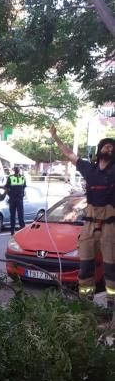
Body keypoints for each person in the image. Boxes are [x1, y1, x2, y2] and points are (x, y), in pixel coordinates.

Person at [49, 125, 115, 305]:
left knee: (111, 269)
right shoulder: (89, 169)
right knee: (85, 267)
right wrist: (55, 137)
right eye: (106, 146)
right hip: (89, 225)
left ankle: (112, 306)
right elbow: (69, 154)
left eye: (112, 147)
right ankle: (85, 304)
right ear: (100, 149)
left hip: (110, 226)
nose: (109, 149)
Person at [5, 165, 26, 235]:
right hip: (12, 199)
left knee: (21, 214)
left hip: (20, 199)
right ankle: (12, 231)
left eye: (18, 169)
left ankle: (22, 229)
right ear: (14, 170)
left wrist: (22, 194)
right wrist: (9, 194)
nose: (17, 170)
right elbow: (6, 187)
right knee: (12, 215)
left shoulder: (23, 177)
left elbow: (24, 187)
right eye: (16, 169)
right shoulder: (10, 177)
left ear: (19, 170)